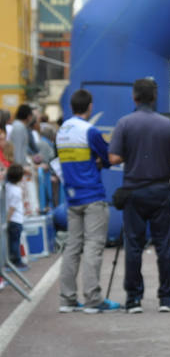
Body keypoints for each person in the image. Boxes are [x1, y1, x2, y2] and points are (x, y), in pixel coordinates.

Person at [108, 78, 170, 314]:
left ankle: (133, 299)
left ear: (134, 97)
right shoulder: (168, 125)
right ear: (154, 98)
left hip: (133, 191)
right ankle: (165, 299)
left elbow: (113, 159)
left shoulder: (124, 124)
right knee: (164, 245)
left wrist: (133, 155)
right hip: (160, 190)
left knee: (133, 245)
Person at [56, 89, 120, 314]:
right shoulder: (90, 131)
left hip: (72, 198)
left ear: (72, 106)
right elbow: (108, 157)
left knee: (72, 248)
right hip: (92, 195)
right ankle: (93, 299)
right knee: (93, 247)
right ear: (90, 106)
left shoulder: (62, 130)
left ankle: (67, 299)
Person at [5, 163, 27, 270]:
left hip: (11, 219)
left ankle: (12, 260)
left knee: (11, 241)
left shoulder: (7, 187)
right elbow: (12, 208)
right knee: (15, 242)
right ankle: (17, 261)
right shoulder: (17, 191)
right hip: (15, 219)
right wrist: (8, 220)